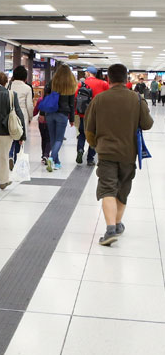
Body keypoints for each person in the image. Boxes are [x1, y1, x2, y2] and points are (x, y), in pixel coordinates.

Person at [85, 63, 154, 246]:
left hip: (106, 152)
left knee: (107, 188)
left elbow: (88, 128)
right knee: (123, 189)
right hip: (128, 153)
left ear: (109, 79)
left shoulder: (99, 99)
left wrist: (96, 145)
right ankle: (116, 224)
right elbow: (147, 124)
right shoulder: (137, 99)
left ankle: (110, 229)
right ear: (126, 79)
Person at [43, 64, 77, 172]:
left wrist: (42, 114)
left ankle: (57, 162)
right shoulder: (70, 84)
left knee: (53, 138)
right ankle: (52, 158)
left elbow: (45, 98)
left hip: (50, 113)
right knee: (59, 139)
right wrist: (72, 119)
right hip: (62, 114)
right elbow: (72, 104)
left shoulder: (52, 82)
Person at [75, 67, 109, 167]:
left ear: (89, 73)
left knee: (82, 134)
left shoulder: (81, 84)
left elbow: (76, 98)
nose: (85, 74)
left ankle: (80, 150)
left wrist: (76, 112)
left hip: (83, 114)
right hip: (97, 114)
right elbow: (108, 97)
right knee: (94, 135)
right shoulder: (103, 84)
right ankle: (90, 159)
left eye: (86, 72)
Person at [8, 66, 34, 169]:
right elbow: (29, 105)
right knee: (19, 138)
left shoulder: (9, 86)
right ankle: (16, 159)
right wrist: (31, 117)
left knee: (11, 136)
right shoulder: (27, 88)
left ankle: (9, 154)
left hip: (10, 113)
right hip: (22, 113)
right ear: (25, 77)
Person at [33, 95, 51, 165]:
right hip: (50, 122)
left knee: (43, 138)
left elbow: (36, 110)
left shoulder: (40, 99)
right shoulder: (54, 99)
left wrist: (31, 116)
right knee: (49, 139)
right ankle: (46, 155)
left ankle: (43, 154)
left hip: (41, 122)